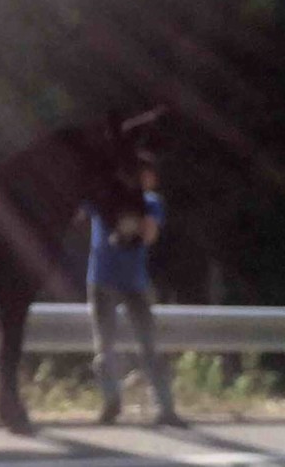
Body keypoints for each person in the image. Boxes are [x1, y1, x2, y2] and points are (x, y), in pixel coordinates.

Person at [85, 155, 186, 427]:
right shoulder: (118, 199)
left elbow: (149, 235)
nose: (152, 179)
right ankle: (142, 406)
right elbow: (150, 235)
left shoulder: (145, 201)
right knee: (128, 344)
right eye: (148, 174)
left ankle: (137, 405)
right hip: (117, 280)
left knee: (124, 344)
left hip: (121, 279)